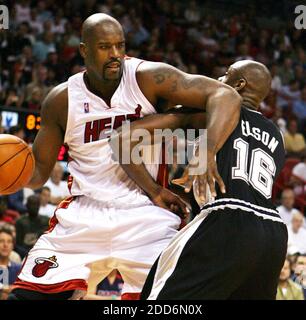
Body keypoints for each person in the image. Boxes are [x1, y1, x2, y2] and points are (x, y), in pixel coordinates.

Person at [9, 13, 241, 300]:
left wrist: (207, 151)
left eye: (120, 45)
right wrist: (7, 176)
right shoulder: (60, 101)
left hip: (148, 214)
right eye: (105, 47)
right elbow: (38, 173)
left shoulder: (148, 78)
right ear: (84, 50)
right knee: (24, 298)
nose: (116, 54)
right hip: (84, 216)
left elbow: (225, 95)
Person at [117, 60, 287, 299]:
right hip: (273, 234)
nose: (219, 80)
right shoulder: (277, 136)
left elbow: (125, 137)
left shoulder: (214, 111)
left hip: (226, 220)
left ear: (238, 85)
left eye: (226, 74)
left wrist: (154, 188)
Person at [0, 226, 22, 300]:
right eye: (1, 241)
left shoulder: (19, 268)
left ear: (13, 246)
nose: (5, 245)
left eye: (9, 242)